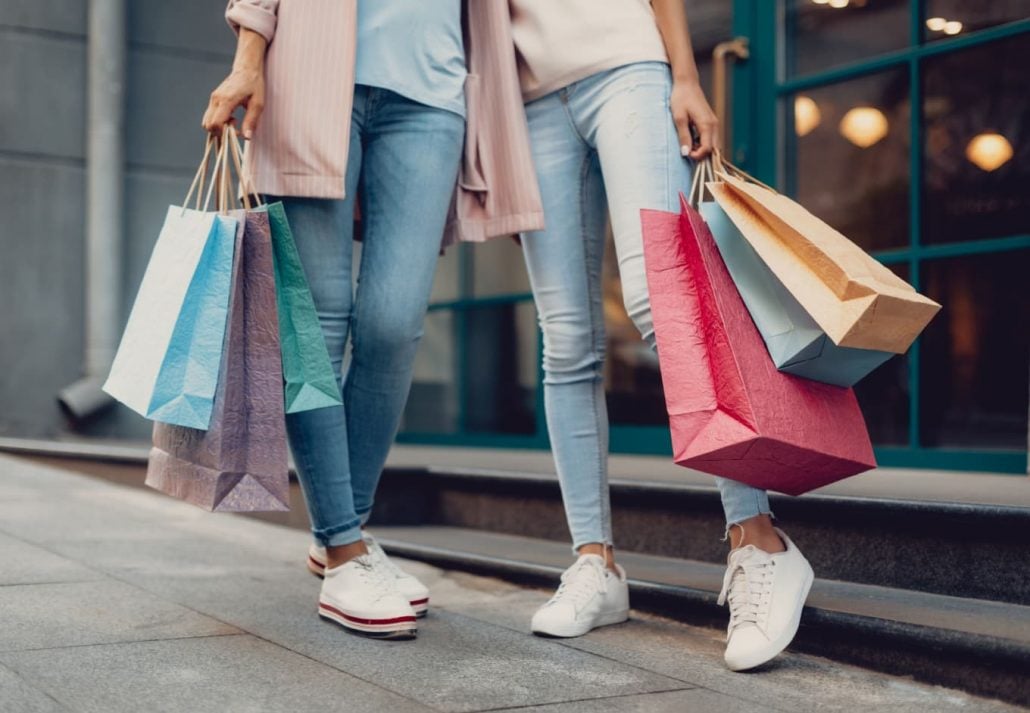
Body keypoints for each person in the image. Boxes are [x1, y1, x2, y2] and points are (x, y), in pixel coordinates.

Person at [202, 0, 543, 640]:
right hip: (309, 75)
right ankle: (344, 544)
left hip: (434, 95)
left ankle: (342, 534)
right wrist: (249, 56)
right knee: (319, 322)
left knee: (395, 324)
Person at [508, 0, 813, 670]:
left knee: (663, 303)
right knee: (564, 339)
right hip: (527, 105)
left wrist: (684, 74)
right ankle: (596, 562)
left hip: (629, 67)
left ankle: (760, 541)